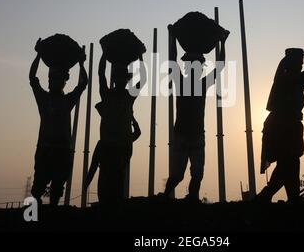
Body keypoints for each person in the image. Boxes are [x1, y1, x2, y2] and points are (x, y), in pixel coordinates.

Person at [161, 31, 227, 202]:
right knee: (177, 176)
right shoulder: (181, 81)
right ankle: (165, 197)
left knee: (197, 174)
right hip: (182, 135)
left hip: (196, 135)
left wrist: (223, 43)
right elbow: (172, 61)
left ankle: (191, 198)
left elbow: (220, 67)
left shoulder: (201, 83)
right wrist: (173, 38)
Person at [257, 48, 304, 204]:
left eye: (302, 62)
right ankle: (269, 195)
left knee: (289, 162)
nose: (301, 64)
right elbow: (301, 78)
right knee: (289, 161)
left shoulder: (297, 79)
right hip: (280, 125)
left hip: (291, 124)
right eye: (299, 61)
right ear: (291, 61)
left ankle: (285, 196)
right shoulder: (284, 77)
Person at [29, 38, 87, 206]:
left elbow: (83, 84)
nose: (52, 82)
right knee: (38, 188)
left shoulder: (67, 101)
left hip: (62, 151)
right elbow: (32, 78)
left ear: (63, 81)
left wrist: (82, 64)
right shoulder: (44, 99)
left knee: (56, 192)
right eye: (50, 79)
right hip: (45, 149)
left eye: (56, 79)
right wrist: (38, 55)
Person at [92, 52, 146, 206]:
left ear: (126, 79)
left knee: (117, 182)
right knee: (105, 183)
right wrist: (103, 54)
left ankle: (114, 208)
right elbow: (101, 74)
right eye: (118, 77)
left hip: (121, 148)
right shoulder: (106, 94)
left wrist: (141, 57)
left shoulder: (129, 96)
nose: (121, 80)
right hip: (108, 146)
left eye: (124, 78)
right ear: (114, 79)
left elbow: (143, 79)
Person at [85, 117, 141, 205]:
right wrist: (132, 118)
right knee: (115, 203)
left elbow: (93, 165)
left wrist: (86, 182)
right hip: (117, 177)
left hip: (106, 178)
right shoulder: (123, 141)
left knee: (105, 202)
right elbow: (137, 133)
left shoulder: (102, 143)